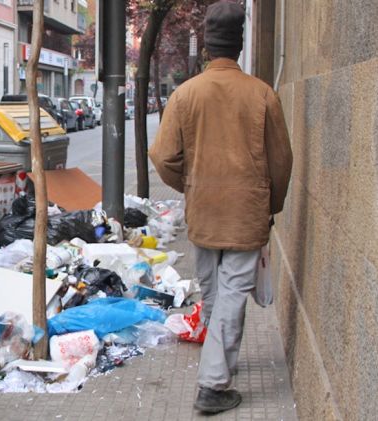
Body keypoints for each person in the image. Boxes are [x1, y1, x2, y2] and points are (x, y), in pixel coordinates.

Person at [149, 1, 293, 414]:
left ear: (208, 47)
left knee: (215, 292)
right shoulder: (263, 94)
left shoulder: (185, 94)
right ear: (240, 42)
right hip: (245, 213)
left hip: (204, 211)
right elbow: (281, 162)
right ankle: (213, 384)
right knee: (228, 295)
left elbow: (162, 157)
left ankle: (219, 367)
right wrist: (271, 204)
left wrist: (190, 185)